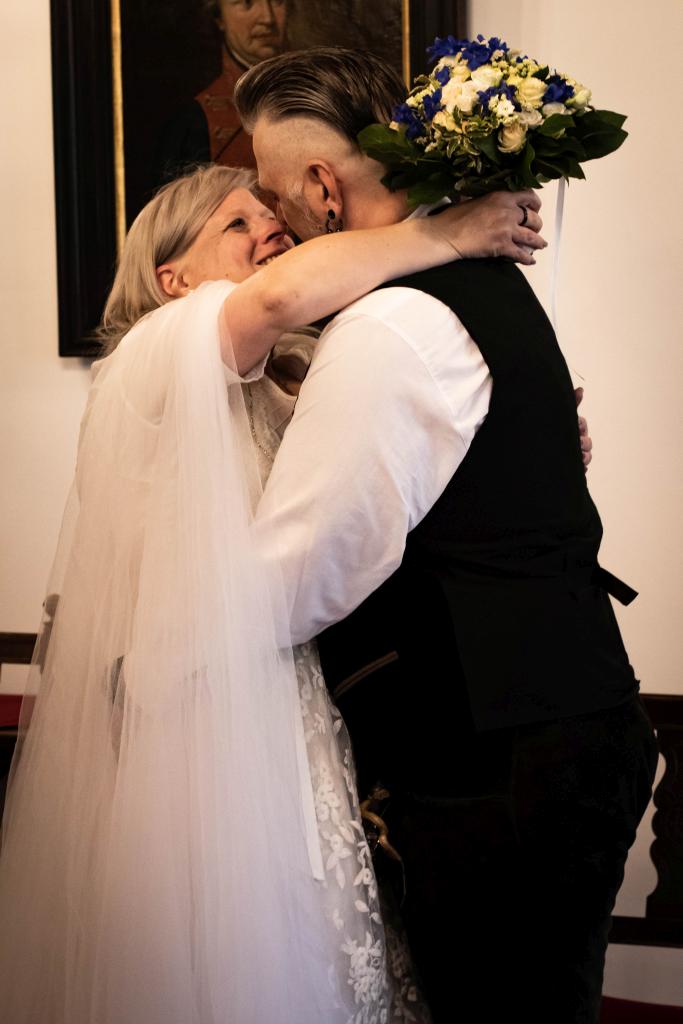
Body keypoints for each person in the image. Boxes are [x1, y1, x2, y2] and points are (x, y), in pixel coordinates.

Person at [0, 164, 543, 1023]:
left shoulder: (273, 380)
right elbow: (277, 298)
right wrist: (445, 232)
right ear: (171, 279)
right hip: (195, 707)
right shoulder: (151, 355)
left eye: (268, 216)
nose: (270, 233)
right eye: (235, 224)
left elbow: (363, 491)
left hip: (281, 690)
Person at [233, 46, 660, 1024]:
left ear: (321, 187)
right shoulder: (471, 289)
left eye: (272, 193)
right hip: (560, 718)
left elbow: (308, 569)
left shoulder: (391, 325)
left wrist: (178, 635)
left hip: (496, 761)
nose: (272, 220)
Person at [156, 0, 288, 180]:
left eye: (277, 1)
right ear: (219, 18)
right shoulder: (193, 122)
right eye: (247, 3)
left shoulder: (315, 93)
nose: (268, 18)